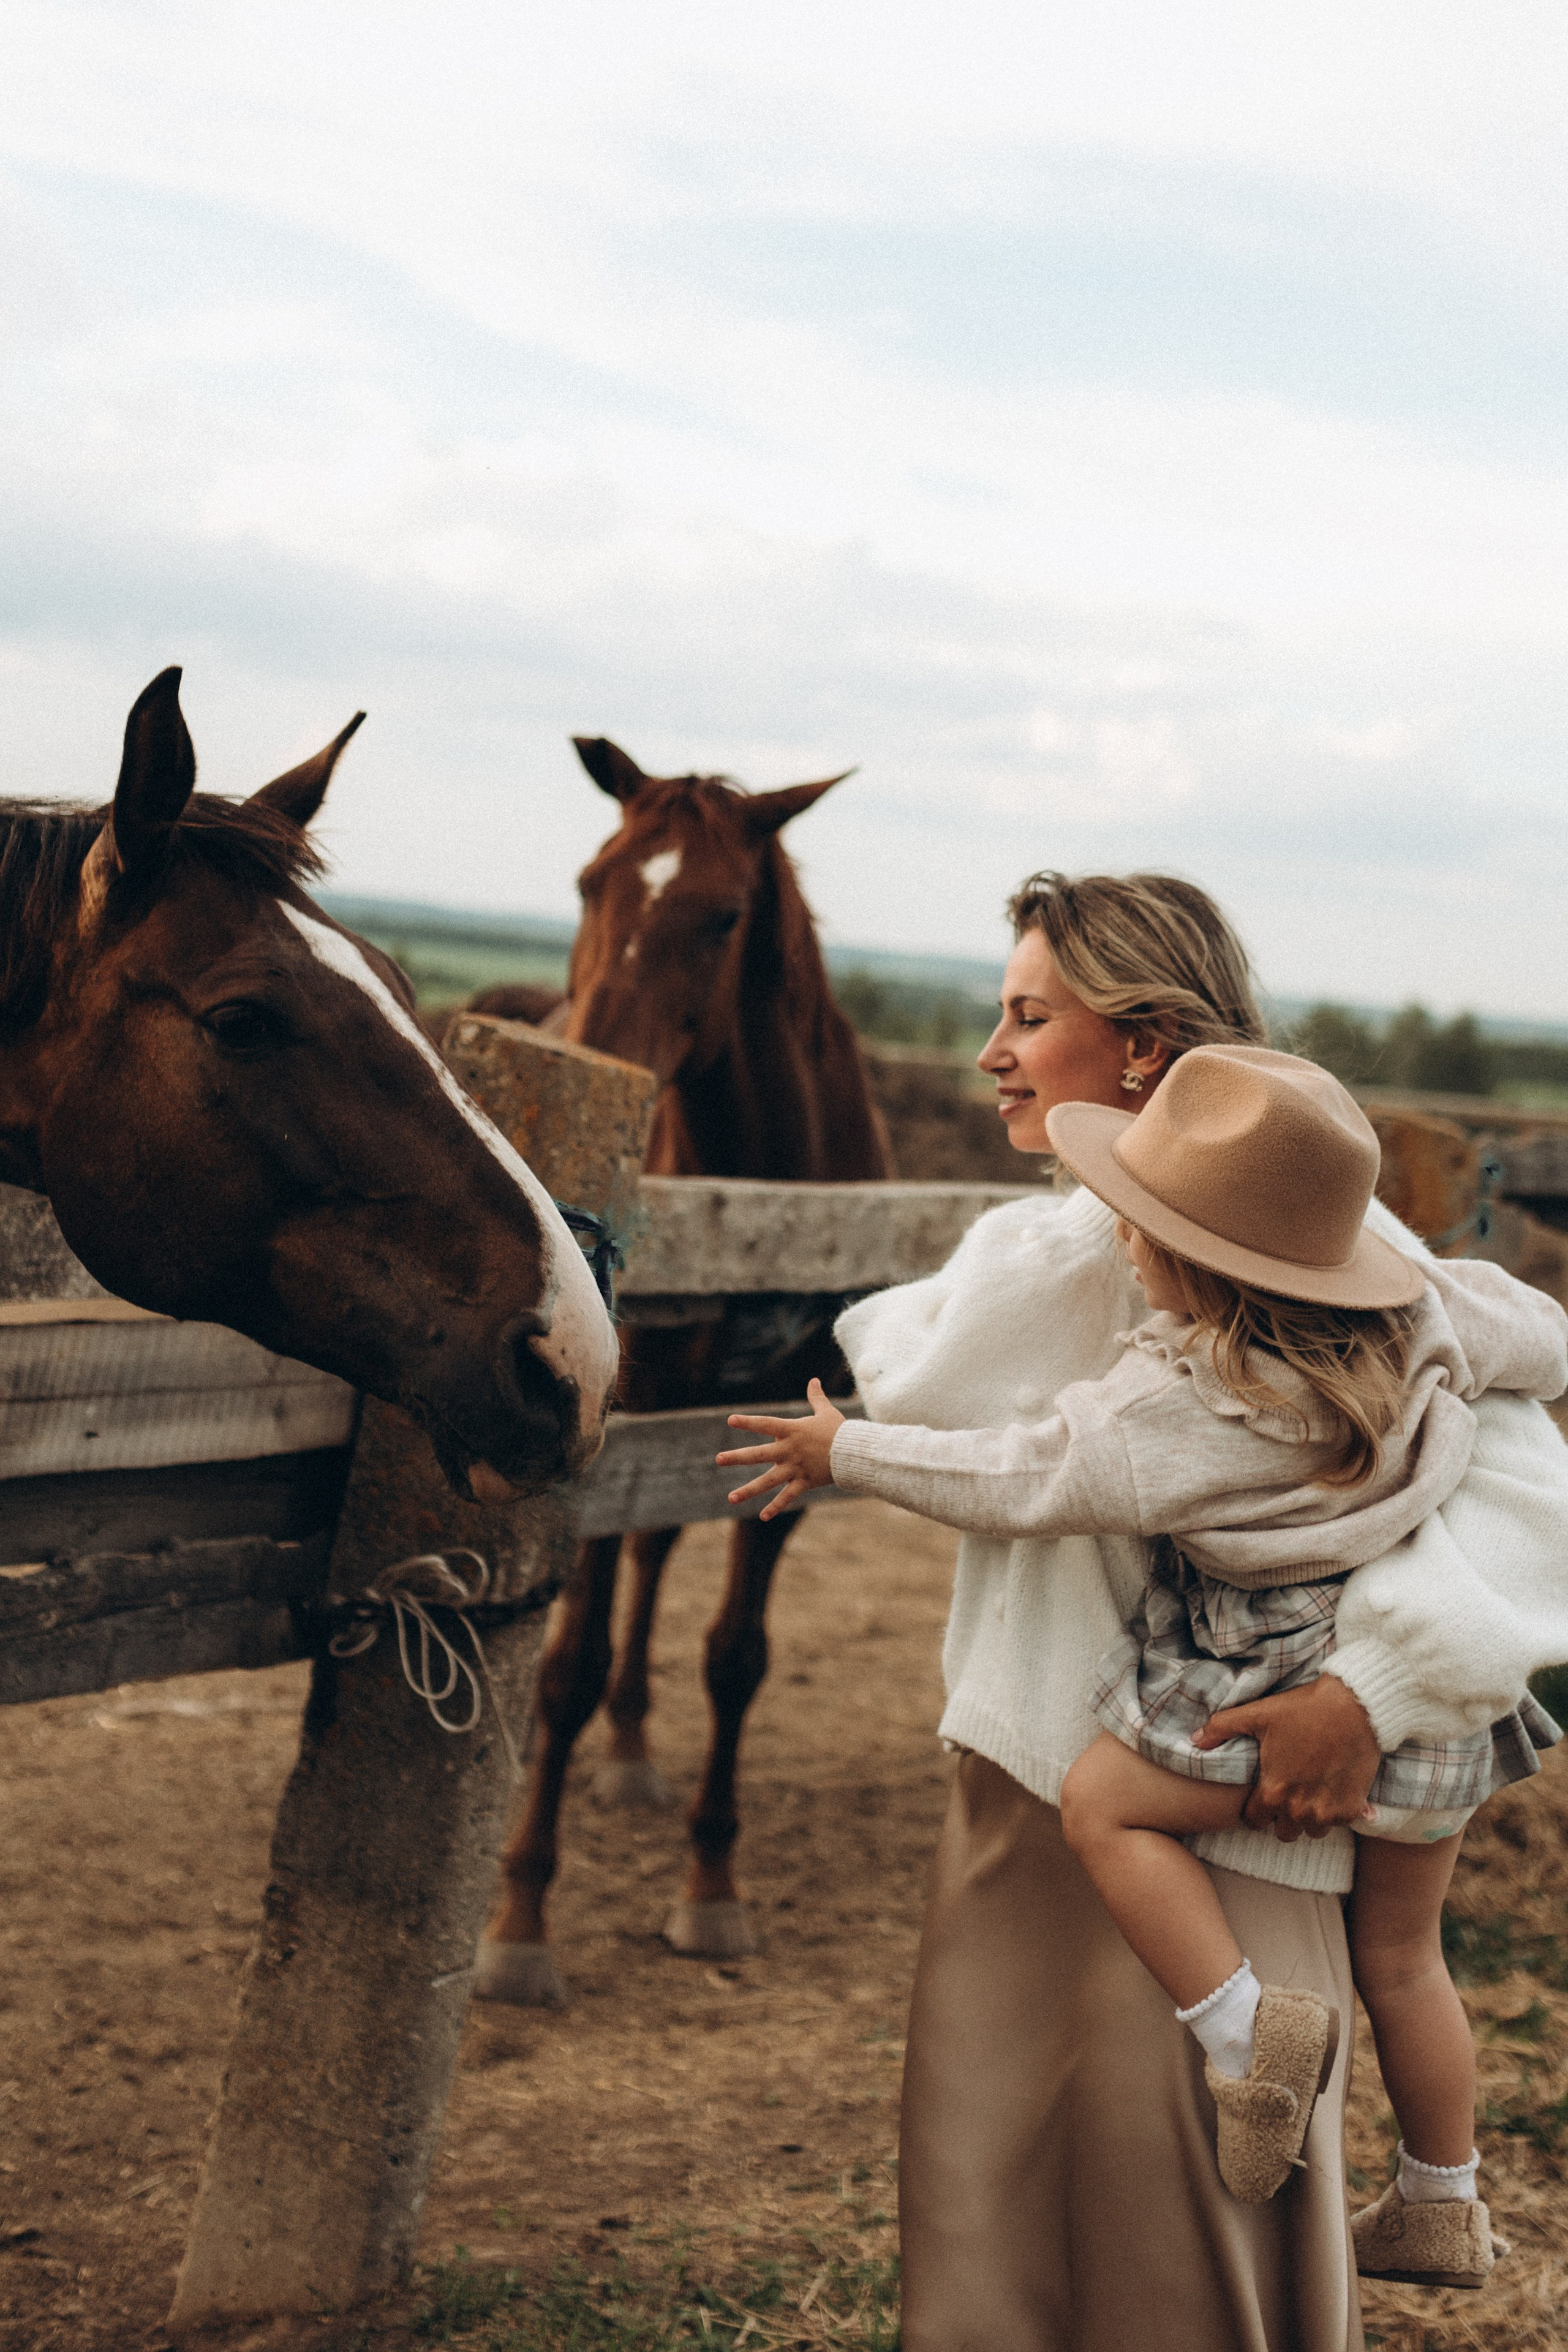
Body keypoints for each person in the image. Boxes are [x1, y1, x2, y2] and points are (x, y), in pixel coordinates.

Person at [714, 871, 1568, 2352]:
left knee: (1178, 2262)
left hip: (1228, 1821)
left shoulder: (1294, 1261)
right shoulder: (1116, 1248)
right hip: (1027, 1789)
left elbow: (1522, 1489)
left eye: (1027, 1015)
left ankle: (1419, 2179)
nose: (989, 1051)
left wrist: (1368, 1688)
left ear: (1141, 1047)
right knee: (1002, 2228)